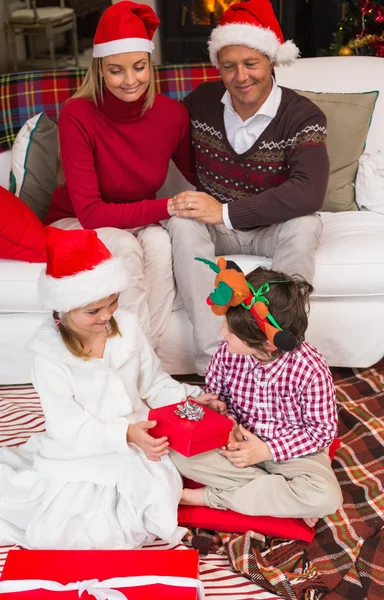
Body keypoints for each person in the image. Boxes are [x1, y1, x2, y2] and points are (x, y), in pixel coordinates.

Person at [0, 227, 224, 550]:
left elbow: (155, 383)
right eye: (93, 311)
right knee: (75, 530)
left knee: (156, 498)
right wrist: (125, 433)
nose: (107, 316)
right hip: (78, 453)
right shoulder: (48, 356)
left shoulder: (128, 329)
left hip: (135, 447)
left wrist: (191, 400)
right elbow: (67, 427)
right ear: (64, 309)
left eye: (112, 303)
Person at [166, 0, 330, 374]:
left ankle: (279, 358)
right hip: (218, 232)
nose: (241, 76)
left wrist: (224, 211)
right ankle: (215, 365)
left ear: (271, 61)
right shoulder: (200, 103)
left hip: (269, 228)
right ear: (218, 68)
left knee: (306, 223)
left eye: (251, 63)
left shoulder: (302, 115)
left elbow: (309, 192)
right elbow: (160, 135)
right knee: (181, 222)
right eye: (229, 66)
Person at [45, 1, 195, 350]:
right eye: (116, 70)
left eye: (139, 67)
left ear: (150, 65)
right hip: (74, 222)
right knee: (126, 246)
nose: (130, 80)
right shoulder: (77, 114)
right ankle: (135, 363)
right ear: (99, 69)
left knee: (159, 243)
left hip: (132, 219)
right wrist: (168, 206)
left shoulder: (173, 115)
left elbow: (199, 175)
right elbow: (91, 214)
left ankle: (146, 358)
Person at [171, 260, 343, 526]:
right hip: (234, 446)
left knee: (326, 497)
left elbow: (321, 432)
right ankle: (278, 495)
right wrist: (218, 414)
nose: (222, 332)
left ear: (266, 344)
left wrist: (266, 450)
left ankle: (212, 497)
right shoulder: (226, 353)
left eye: (231, 331)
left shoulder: (310, 368)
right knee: (176, 454)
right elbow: (216, 399)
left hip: (291, 454)